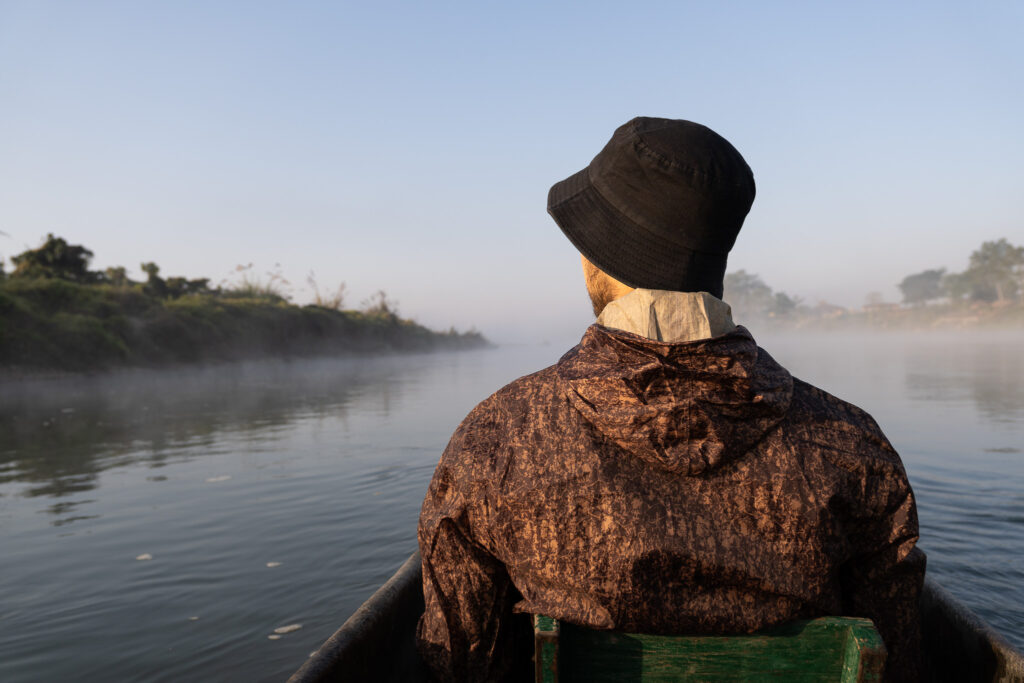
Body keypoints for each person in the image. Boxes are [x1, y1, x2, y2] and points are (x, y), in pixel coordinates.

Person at [416, 117, 925, 682]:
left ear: (597, 258)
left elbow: (459, 663)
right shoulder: (853, 445)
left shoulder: (497, 439)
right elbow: (897, 655)